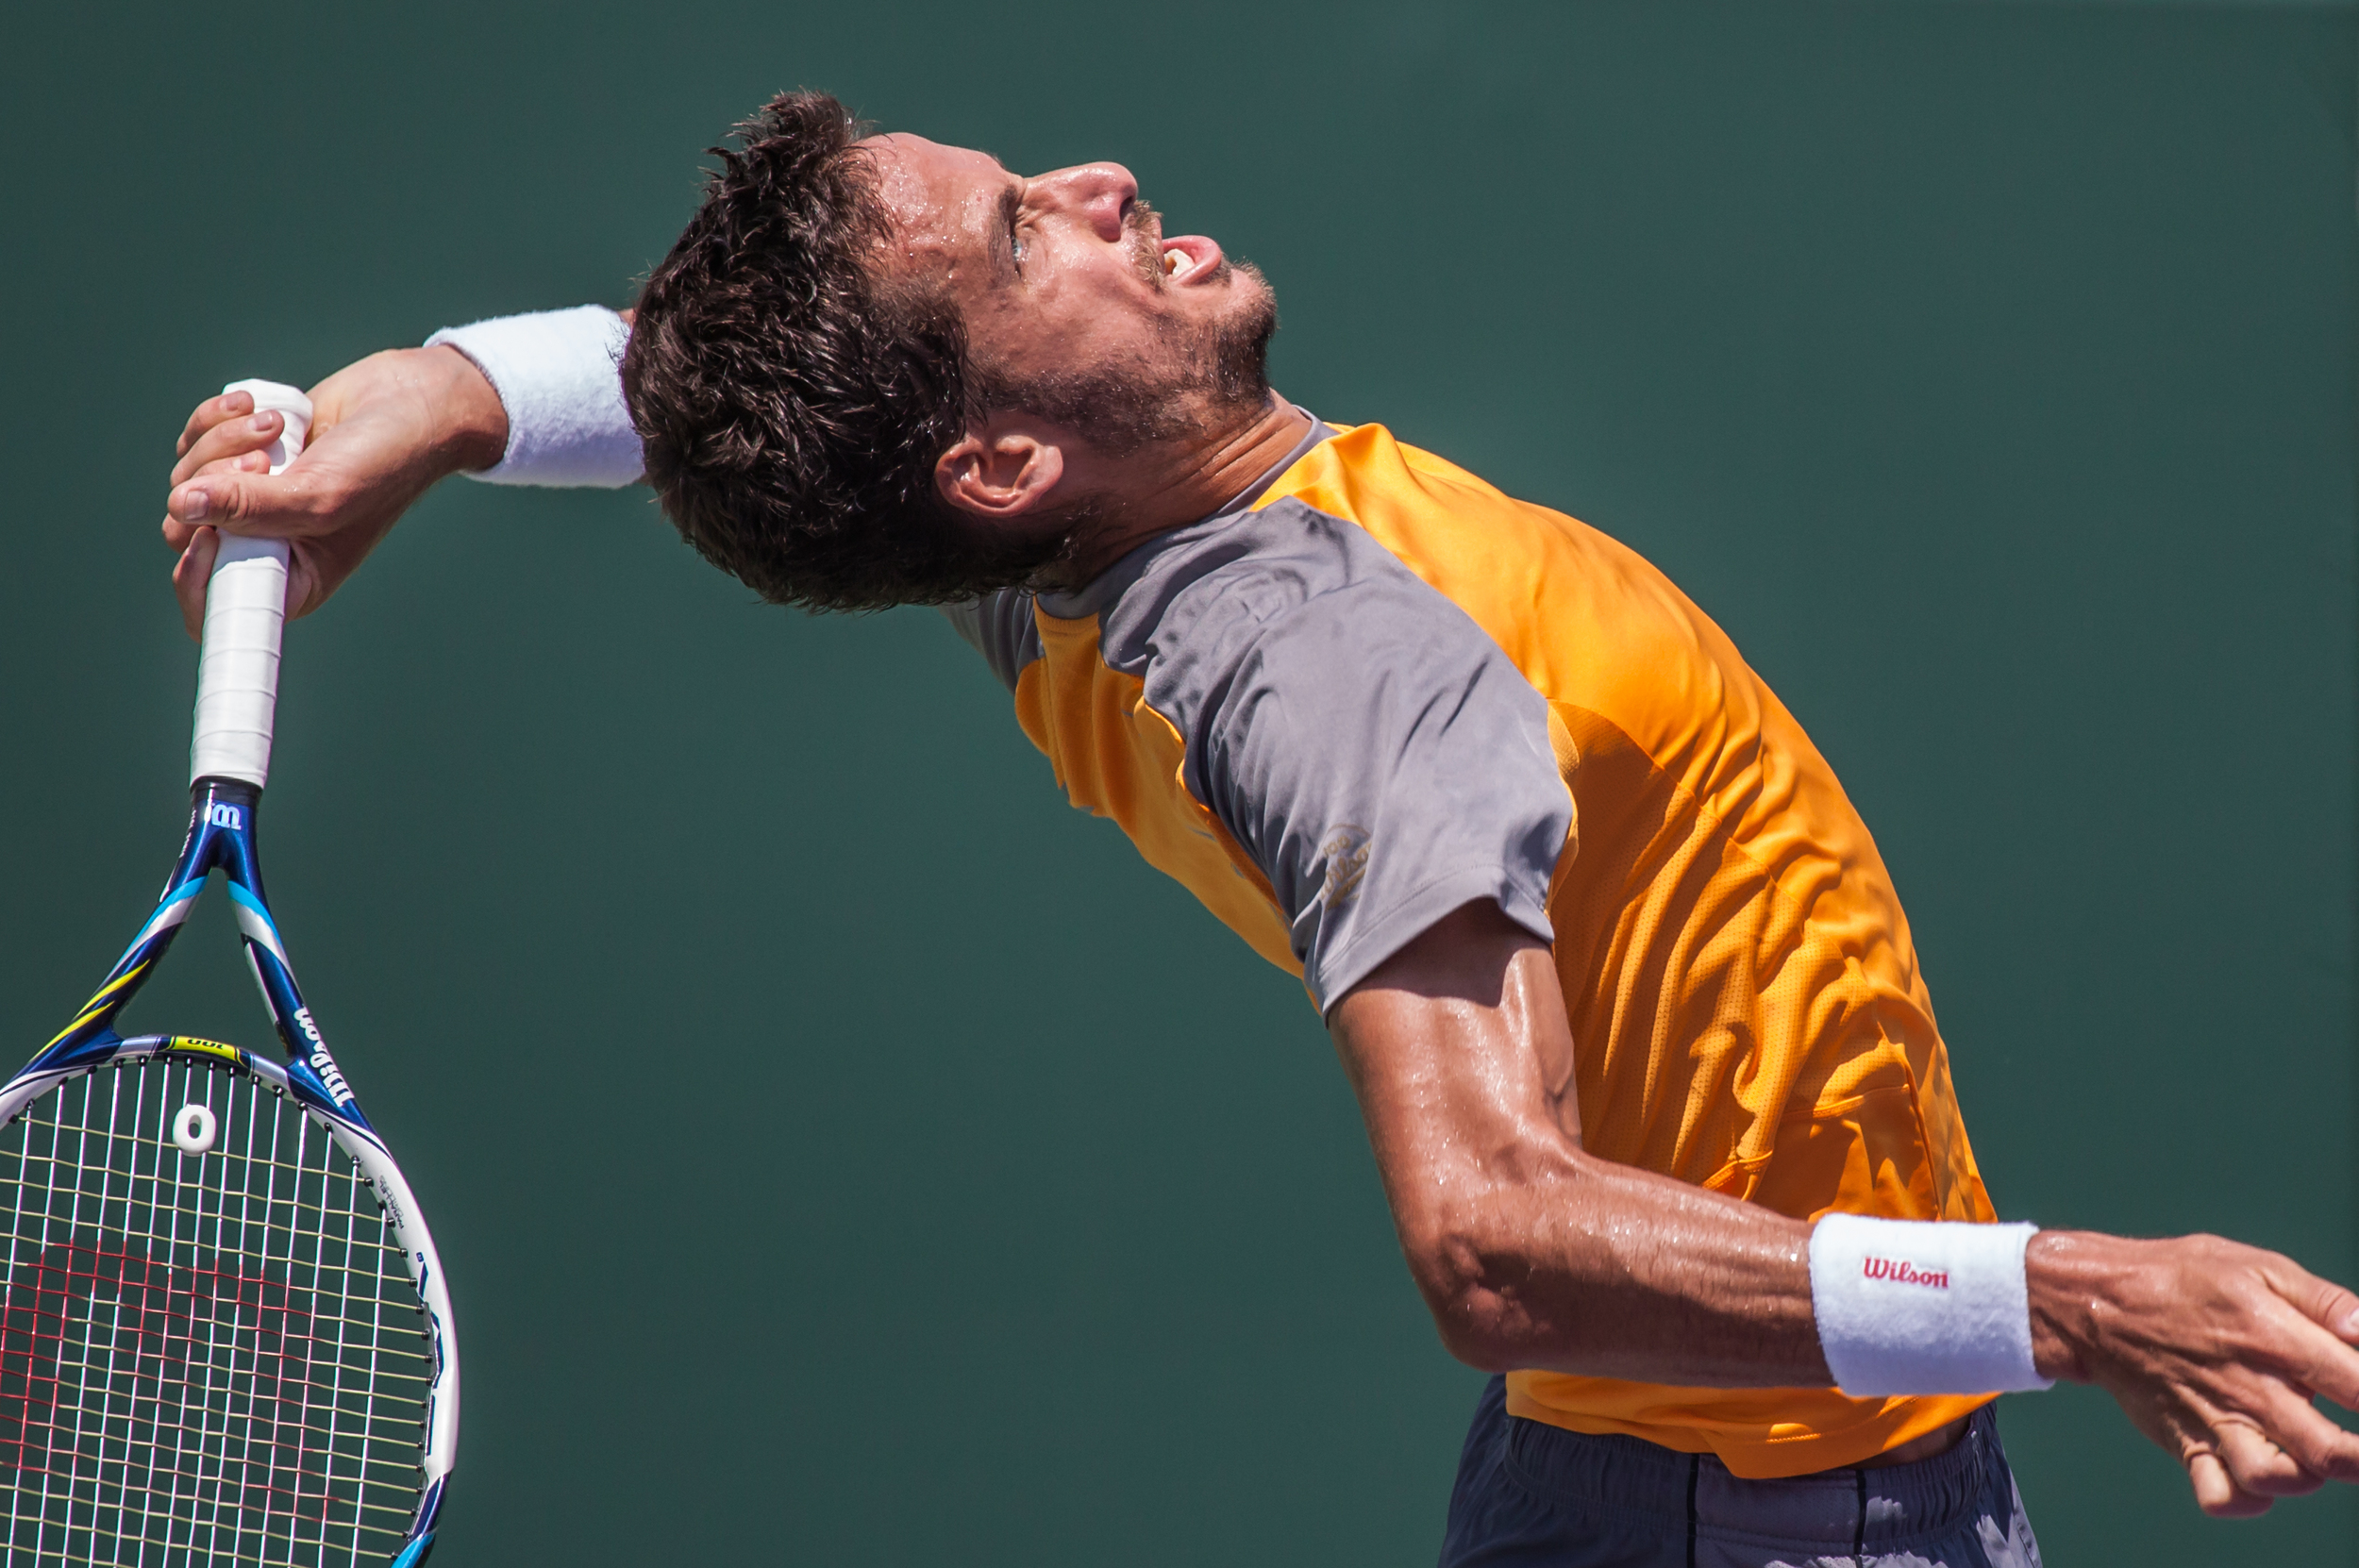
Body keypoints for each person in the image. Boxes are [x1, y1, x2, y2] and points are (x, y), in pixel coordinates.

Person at [161, 92, 2359, 1566]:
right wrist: (2065, 1297)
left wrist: (429, 403)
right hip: (1767, 1512)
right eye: (1031, 229)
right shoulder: (1341, 656)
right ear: (1006, 459)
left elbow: (705, 385)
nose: (1105, 177)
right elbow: (1489, 1237)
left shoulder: (1012, 562)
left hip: (1680, 1459)